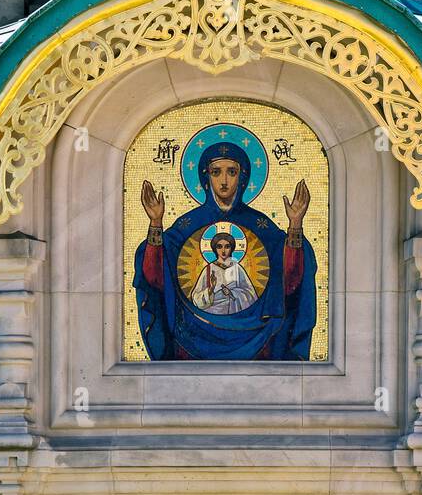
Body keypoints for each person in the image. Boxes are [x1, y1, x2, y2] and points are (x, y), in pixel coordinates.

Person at [134, 140, 316, 360]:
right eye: (216, 172)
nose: (224, 180)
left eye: (231, 172)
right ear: (206, 177)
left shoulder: (261, 225)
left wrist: (295, 224)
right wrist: (155, 223)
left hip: (255, 337)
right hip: (192, 338)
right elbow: (155, 276)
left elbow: (290, 280)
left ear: (242, 177)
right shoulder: (188, 224)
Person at [190, 232, 258, 315]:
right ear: (215, 248)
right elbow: (196, 298)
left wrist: (232, 293)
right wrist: (211, 289)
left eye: (227, 246)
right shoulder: (208, 269)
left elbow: (251, 294)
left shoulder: (237, 268)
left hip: (233, 312)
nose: (223, 250)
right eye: (219, 246)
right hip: (212, 314)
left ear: (231, 248)